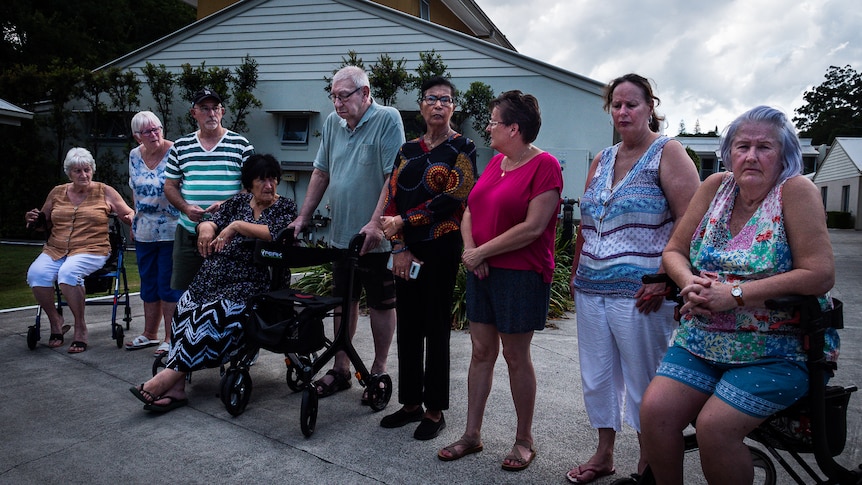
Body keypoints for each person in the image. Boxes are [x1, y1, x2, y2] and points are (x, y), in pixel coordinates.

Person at [639, 106, 838, 484]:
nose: (751, 155)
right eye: (742, 146)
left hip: (777, 350)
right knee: (655, 413)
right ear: (728, 152)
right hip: (702, 342)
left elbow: (820, 274)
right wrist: (687, 282)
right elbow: (674, 251)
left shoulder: (795, 192)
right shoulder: (715, 187)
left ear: (784, 155)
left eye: (764, 147)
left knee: (715, 428)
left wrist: (736, 293)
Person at [566, 73, 700, 484]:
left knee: (646, 381)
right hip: (592, 287)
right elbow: (586, 224)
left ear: (650, 107)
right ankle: (604, 454)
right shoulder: (602, 159)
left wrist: (666, 277)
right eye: (616, 105)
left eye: (632, 104)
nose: (623, 112)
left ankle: (649, 466)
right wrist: (573, 275)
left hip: (643, 292)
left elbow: (693, 222)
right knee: (598, 375)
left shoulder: (668, 152)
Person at [437, 91, 562, 471]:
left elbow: (533, 227)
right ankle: (471, 434)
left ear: (514, 128)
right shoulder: (496, 163)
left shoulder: (546, 166)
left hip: (521, 275)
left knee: (515, 356)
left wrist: (483, 252)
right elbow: (470, 209)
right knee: (480, 353)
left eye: (494, 122)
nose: (488, 127)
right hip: (483, 270)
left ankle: (524, 439)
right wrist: (473, 251)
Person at [129, 154, 296, 413]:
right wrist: (206, 228)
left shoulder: (285, 207)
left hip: (251, 283)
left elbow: (275, 233)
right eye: (262, 179)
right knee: (184, 308)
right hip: (214, 277)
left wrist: (237, 227)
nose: (269, 185)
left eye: (273, 179)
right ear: (249, 183)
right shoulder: (239, 201)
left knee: (210, 316)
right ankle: (176, 387)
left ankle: (166, 379)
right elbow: (211, 220)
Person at [288, 65, 405, 402]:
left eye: (343, 96)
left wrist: (375, 222)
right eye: (333, 96)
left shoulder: (387, 119)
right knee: (344, 301)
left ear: (365, 94)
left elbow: (391, 177)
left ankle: (379, 368)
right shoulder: (332, 124)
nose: (337, 103)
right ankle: (341, 369)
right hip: (341, 236)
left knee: (382, 303)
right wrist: (303, 217)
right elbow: (321, 172)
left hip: (376, 237)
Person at [377, 77, 477, 440]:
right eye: (432, 99)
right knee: (408, 326)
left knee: (435, 327)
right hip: (406, 250)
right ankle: (409, 404)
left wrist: (407, 220)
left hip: (441, 247)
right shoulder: (407, 149)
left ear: (453, 107)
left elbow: (454, 196)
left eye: (446, 100)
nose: (438, 105)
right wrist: (399, 244)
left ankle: (435, 411)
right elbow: (392, 196)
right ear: (421, 105)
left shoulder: (463, 148)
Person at [25, 147, 135, 354]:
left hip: (91, 249)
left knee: (68, 274)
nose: (83, 175)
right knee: (36, 274)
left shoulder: (105, 191)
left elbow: (127, 212)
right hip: (56, 248)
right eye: (77, 171)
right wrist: (33, 220)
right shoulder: (57, 192)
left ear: (92, 170)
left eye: (87, 170)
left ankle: (80, 327)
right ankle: (56, 322)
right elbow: (43, 222)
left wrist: (132, 221)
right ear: (69, 173)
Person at [164, 87, 254, 292]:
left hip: (229, 233)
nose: (211, 113)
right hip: (188, 232)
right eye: (204, 108)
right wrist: (186, 208)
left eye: (215, 108)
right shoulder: (181, 146)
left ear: (222, 111)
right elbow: (170, 186)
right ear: (193, 113)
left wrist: (225, 206)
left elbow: (252, 189)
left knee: (228, 292)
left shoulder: (241, 145)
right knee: (182, 292)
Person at [125, 111, 183, 356]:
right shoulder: (134, 155)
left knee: (168, 285)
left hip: (171, 229)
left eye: (157, 128)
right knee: (148, 283)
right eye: (148, 131)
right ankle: (150, 333)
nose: (154, 134)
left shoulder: (175, 152)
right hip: (144, 230)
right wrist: (133, 222)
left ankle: (171, 337)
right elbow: (134, 189)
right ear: (138, 136)